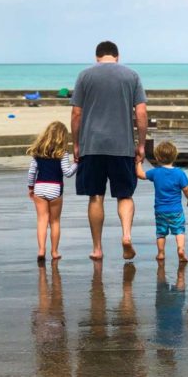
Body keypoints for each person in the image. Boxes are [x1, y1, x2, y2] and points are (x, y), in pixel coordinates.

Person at [71, 40, 148, 261]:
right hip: (122, 146)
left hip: (92, 146)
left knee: (96, 196)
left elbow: (76, 114)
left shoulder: (85, 76)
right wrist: (141, 144)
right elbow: (141, 113)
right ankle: (126, 235)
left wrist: (76, 143)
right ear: (117, 56)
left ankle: (97, 248)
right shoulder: (131, 76)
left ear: (97, 57)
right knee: (125, 195)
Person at [26, 121, 77, 263]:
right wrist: (77, 164)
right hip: (55, 188)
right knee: (54, 222)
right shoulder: (63, 153)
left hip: (40, 187)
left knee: (42, 220)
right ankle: (54, 252)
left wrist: (31, 187)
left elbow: (31, 172)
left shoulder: (38, 152)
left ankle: (41, 250)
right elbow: (67, 173)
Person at [136, 139, 188, 262]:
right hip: (176, 210)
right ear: (174, 156)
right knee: (179, 230)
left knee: (161, 233)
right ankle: (180, 249)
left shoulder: (156, 172)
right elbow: (186, 189)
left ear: (157, 157)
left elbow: (140, 175)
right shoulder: (179, 173)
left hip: (160, 210)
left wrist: (139, 162)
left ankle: (161, 253)